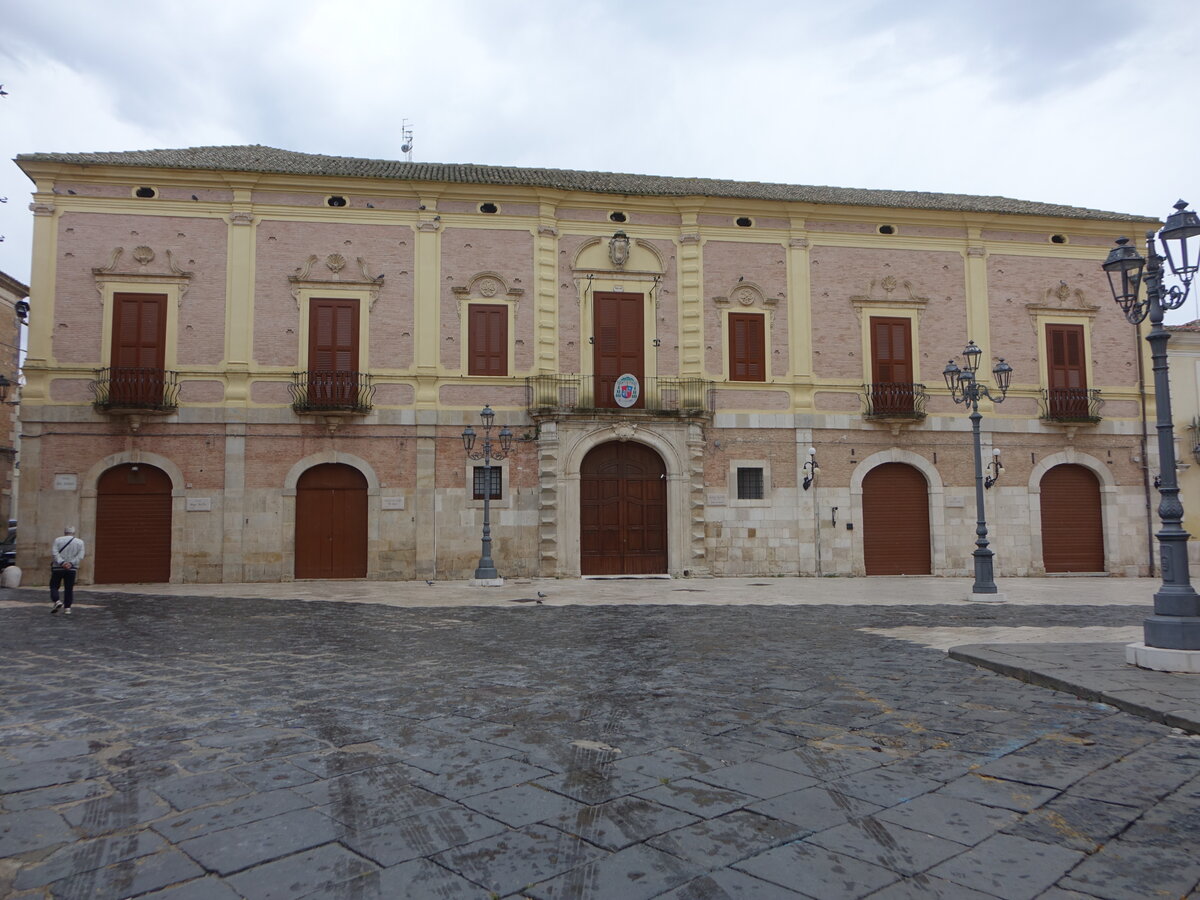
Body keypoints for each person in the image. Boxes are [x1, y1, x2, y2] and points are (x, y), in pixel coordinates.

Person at [50, 526, 85, 615]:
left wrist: (62, 563)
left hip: (58, 568)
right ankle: (67, 608)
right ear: (74, 533)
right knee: (69, 588)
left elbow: (55, 553)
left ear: (65, 532)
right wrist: (71, 564)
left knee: (54, 586)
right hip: (71, 569)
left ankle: (57, 601)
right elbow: (80, 555)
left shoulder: (57, 540)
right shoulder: (80, 542)